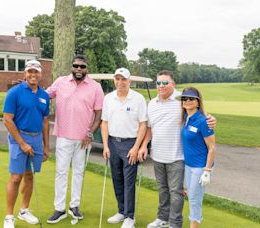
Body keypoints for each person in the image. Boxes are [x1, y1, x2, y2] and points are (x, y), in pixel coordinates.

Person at [138, 71, 216, 228]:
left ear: (173, 84)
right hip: (157, 155)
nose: (161, 86)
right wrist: (143, 146)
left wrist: (212, 119)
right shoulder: (152, 104)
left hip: (177, 157)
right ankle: (162, 218)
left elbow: (201, 115)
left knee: (176, 193)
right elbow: (150, 128)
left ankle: (175, 223)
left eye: (165, 83)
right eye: (158, 83)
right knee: (162, 190)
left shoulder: (182, 99)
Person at [46, 54, 104, 223]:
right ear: (72, 67)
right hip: (63, 135)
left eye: (82, 67)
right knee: (61, 172)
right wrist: (27, 88)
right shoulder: (61, 82)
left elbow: (98, 114)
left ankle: (74, 206)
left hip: (83, 139)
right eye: (76, 66)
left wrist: (90, 133)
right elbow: (44, 95)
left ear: (87, 68)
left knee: (79, 172)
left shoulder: (95, 87)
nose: (79, 69)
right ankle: (59, 209)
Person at [3, 60, 50, 228]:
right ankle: (9, 216)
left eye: (36, 71)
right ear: (25, 74)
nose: (33, 74)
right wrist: (22, 143)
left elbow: (45, 122)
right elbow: (7, 120)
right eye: (30, 71)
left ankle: (24, 210)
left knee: (30, 176)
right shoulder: (14, 93)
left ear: (40, 74)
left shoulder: (44, 95)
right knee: (16, 177)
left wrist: (46, 146)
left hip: (37, 139)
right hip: (19, 138)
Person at [101, 67, 148, 228]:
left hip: (130, 144)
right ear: (114, 80)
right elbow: (104, 123)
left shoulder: (138, 98)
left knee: (129, 181)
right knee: (117, 179)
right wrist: (105, 145)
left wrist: (136, 147)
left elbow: (143, 124)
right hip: (113, 143)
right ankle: (121, 211)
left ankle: (130, 217)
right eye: (117, 79)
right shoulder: (108, 98)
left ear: (129, 81)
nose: (120, 82)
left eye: (123, 79)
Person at [178, 87, 216, 228]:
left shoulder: (203, 120)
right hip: (188, 165)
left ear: (198, 102)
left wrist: (207, 171)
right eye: (184, 99)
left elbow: (212, 148)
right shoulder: (186, 118)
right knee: (192, 196)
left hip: (200, 167)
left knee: (194, 198)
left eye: (191, 98)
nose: (187, 101)